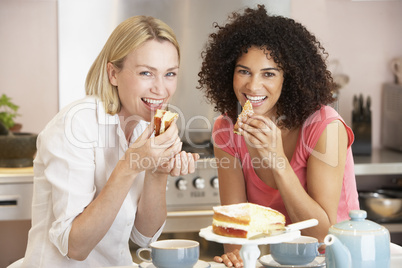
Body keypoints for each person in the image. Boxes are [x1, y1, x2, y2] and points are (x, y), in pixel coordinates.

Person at [21, 15, 199, 267]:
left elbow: (144, 237)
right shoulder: (75, 125)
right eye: (146, 73)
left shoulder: (144, 129)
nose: (161, 89)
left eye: (169, 74)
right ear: (113, 73)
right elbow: (75, 247)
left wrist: (157, 172)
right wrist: (131, 164)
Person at [197, 5, 359, 268]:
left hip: (335, 259)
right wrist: (237, 259)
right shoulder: (227, 129)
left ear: (289, 77)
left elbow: (321, 237)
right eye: (244, 71)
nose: (253, 86)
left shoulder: (325, 126)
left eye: (268, 73)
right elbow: (236, 228)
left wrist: (278, 160)